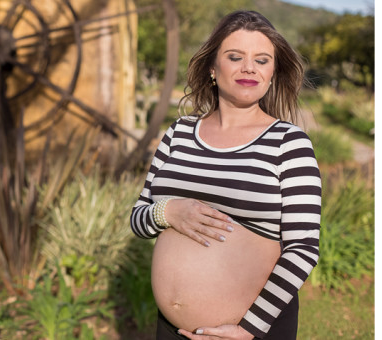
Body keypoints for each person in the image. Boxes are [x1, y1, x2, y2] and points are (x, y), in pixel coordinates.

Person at [129, 10, 321, 340]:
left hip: (251, 331)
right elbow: (138, 219)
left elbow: (303, 247)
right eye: (235, 57)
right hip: (172, 328)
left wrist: (250, 329)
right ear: (212, 68)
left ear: (273, 73)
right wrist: (169, 211)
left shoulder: (289, 143)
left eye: (262, 60)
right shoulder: (179, 133)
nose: (249, 68)